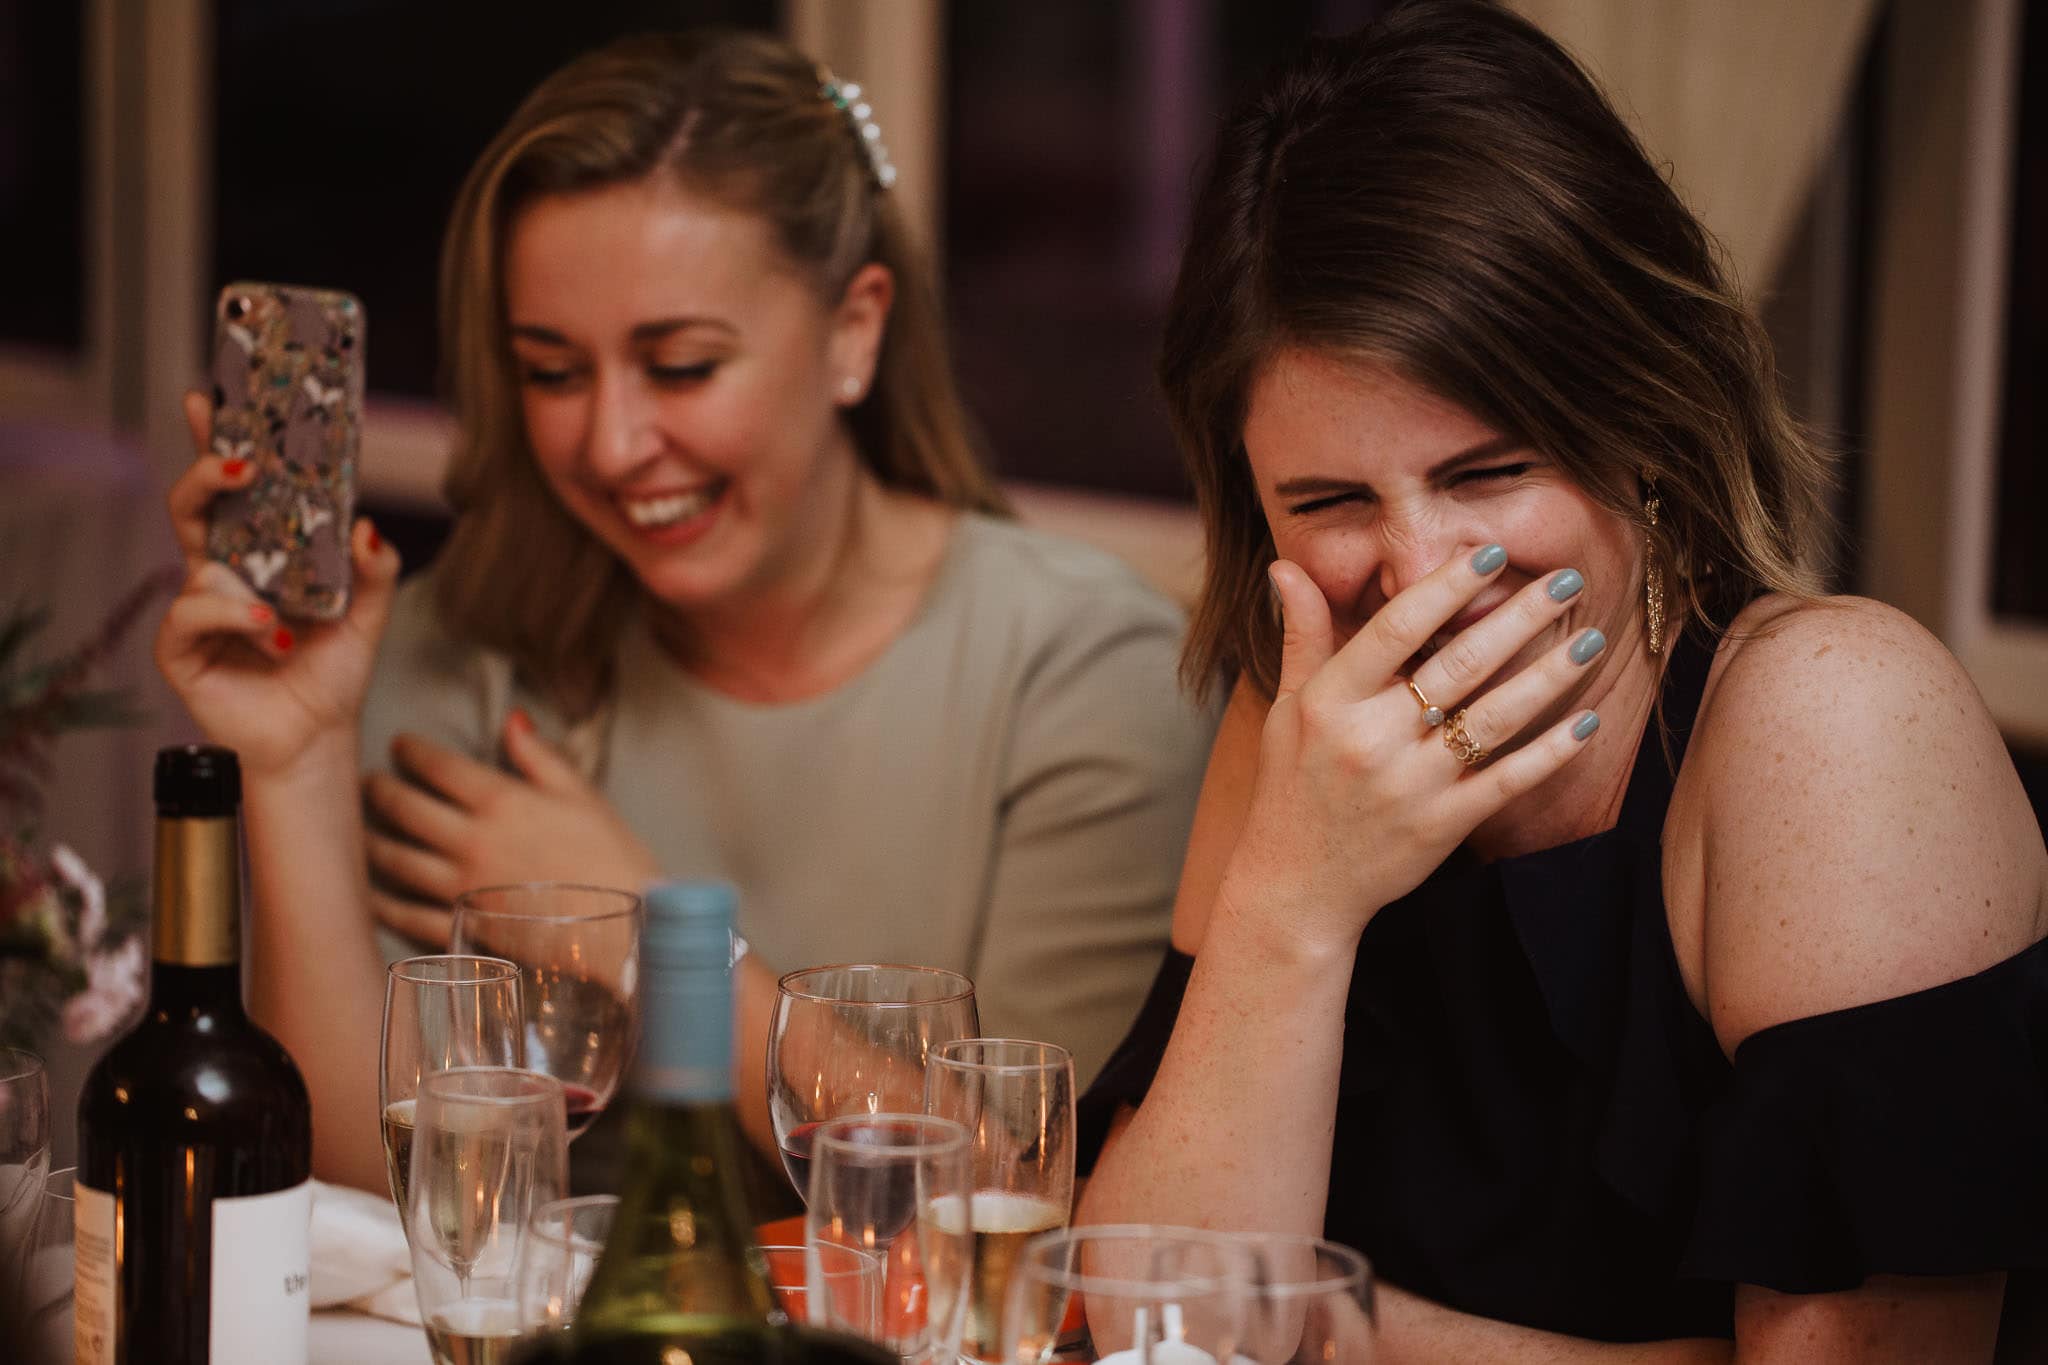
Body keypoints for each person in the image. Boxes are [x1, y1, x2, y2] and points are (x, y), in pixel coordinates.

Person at [1076, 2, 2048, 1358]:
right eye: (1331, 499)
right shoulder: (1301, 715)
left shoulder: (1832, 722)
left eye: (1489, 471)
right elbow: (1142, 1326)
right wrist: (1292, 903)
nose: (1421, 575)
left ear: (1641, 424)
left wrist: (1342, 1329)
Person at [155, 29, 1218, 1196]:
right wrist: (296, 760)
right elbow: (371, 1191)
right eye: (553, 373)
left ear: (853, 331)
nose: (610, 445)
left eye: (681, 365)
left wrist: (661, 956)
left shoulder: (1083, 677)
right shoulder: (460, 648)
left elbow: (1027, 1203)